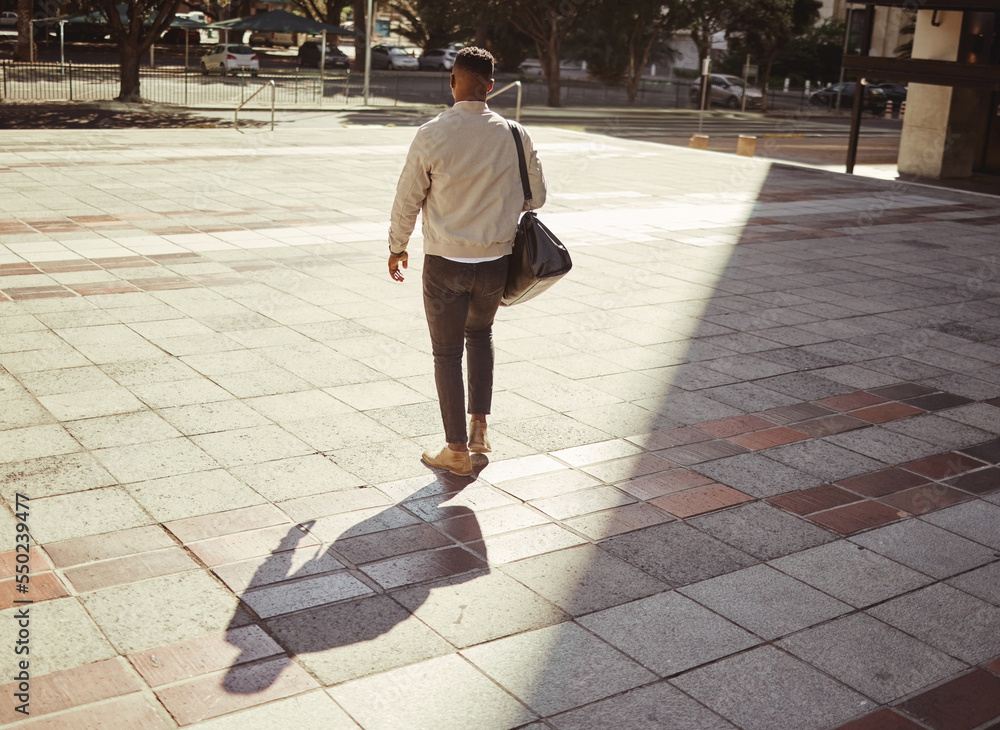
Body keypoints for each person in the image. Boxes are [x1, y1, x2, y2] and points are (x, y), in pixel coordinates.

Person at [387, 46, 546, 477]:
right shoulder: (515, 134)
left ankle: (456, 451)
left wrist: (397, 246)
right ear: (491, 86)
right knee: (480, 335)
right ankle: (479, 431)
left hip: (443, 262)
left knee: (445, 353)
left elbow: (408, 198)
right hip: (495, 260)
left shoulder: (431, 133)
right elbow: (538, 198)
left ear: (453, 82)